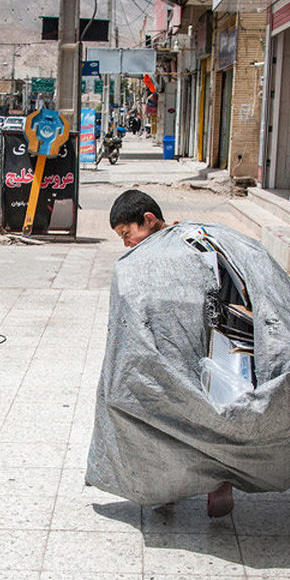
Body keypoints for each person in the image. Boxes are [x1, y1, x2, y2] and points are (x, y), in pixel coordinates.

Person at [106, 189, 234, 515]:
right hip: (163, 350)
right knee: (175, 416)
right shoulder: (166, 249)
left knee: (200, 413)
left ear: (148, 220)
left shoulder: (190, 242)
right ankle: (176, 482)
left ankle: (216, 483)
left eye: (127, 233)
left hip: (197, 346)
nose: (125, 243)